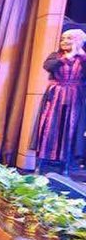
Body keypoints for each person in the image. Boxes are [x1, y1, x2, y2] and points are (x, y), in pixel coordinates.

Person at [32, 28, 86, 173]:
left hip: (74, 98)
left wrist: (81, 55)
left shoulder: (83, 59)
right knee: (49, 127)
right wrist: (67, 57)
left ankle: (65, 167)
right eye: (62, 39)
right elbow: (48, 66)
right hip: (55, 97)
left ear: (78, 41)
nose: (64, 41)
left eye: (69, 38)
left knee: (70, 129)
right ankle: (40, 165)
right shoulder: (56, 56)